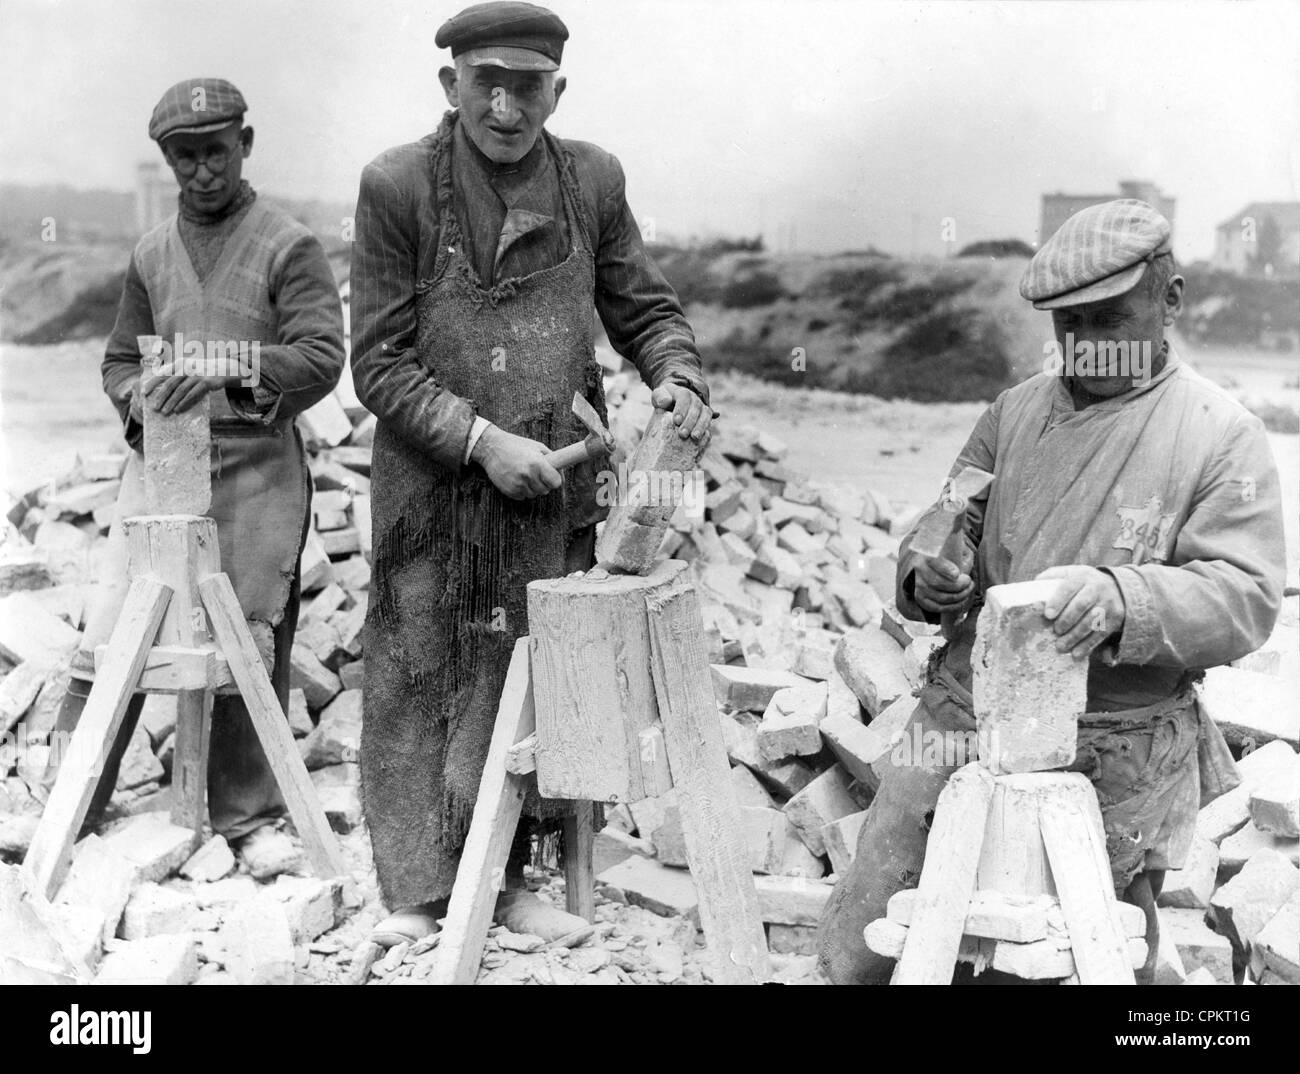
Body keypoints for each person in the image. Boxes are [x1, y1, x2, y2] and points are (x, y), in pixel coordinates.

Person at [817, 199, 1285, 984]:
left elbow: (1246, 597)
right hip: (962, 722)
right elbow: (941, 525)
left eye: (1109, 320)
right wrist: (932, 573)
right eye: (1069, 327)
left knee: (1082, 954)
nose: (1086, 348)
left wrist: (1123, 597)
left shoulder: (1219, 433)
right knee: (879, 938)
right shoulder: (1014, 412)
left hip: (1115, 746)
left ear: (1170, 300)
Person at [350, 1, 711, 946]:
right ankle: (419, 893)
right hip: (435, 485)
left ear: (558, 89)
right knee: (418, 670)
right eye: (486, 85)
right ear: (450, 85)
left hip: (556, 478)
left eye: (528, 87)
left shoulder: (592, 179)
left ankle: (508, 882)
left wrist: (675, 373)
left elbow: (643, 308)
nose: (506, 108)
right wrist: (478, 442)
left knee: (525, 672)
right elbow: (378, 364)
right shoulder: (397, 187)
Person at [44, 78, 346, 864]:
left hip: (255, 466)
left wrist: (218, 366)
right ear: (166, 160)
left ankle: (241, 814)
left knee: (245, 627)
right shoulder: (149, 253)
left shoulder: (289, 244)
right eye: (185, 157)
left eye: (216, 151)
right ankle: (71, 801)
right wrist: (137, 397)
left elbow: (321, 357)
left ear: (245, 144)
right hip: (163, 462)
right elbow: (117, 360)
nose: (203, 171)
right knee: (116, 627)